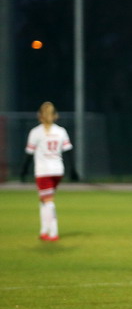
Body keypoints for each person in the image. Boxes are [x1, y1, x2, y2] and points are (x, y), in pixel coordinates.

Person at [20, 101, 78, 242]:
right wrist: (73, 170)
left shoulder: (36, 132)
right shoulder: (61, 131)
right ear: (55, 115)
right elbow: (69, 152)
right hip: (58, 170)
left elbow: (29, 154)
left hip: (43, 171)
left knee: (48, 201)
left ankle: (53, 233)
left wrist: (24, 171)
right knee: (44, 200)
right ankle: (44, 230)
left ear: (40, 115)